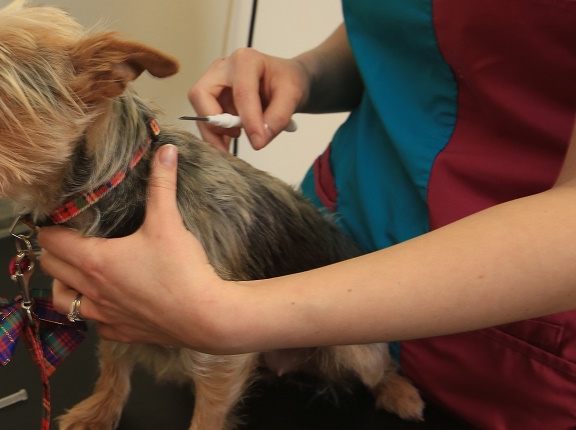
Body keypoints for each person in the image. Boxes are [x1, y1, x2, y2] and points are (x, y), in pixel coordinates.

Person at [39, 1, 576, 428]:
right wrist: (305, 71)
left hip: (515, 325)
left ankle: (381, 377)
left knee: (364, 376)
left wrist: (227, 317)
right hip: (345, 222)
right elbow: (406, 25)